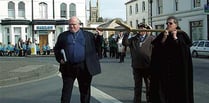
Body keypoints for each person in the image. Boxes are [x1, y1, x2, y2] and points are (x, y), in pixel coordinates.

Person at [54, 16, 103, 103]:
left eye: (74, 24)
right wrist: (60, 59)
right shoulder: (63, 36)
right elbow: (57, 49)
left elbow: (97, 47)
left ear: (79, 25)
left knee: (85, 91)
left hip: (84, 67)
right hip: (68, 67)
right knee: (66, 91)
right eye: (70, 25)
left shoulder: (88, 35)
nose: (71, 26)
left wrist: (100, 36)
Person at [150, 16, 194, 103]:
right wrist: (164, 38)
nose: (168, 25)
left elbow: (184, 50)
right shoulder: (163, 34)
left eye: (170, 23)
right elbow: (156, 49)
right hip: (165, 69)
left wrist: (175, 38)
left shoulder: (181, 34)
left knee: (177, 91)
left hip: (178, 69)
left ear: (176, 24)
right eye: (167, 23)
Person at [123, 23, 155, 103]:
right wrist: (127, 33)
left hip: (148, 66)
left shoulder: (152, 38)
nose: (141, 30)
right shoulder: (134, 39)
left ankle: (150, 100)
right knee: (137, 86)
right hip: (137, 66)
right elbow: (125, 43)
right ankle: (137, 101)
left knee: (149, 85)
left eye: (143, 28)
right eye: (139, 28)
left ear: (146, 30)